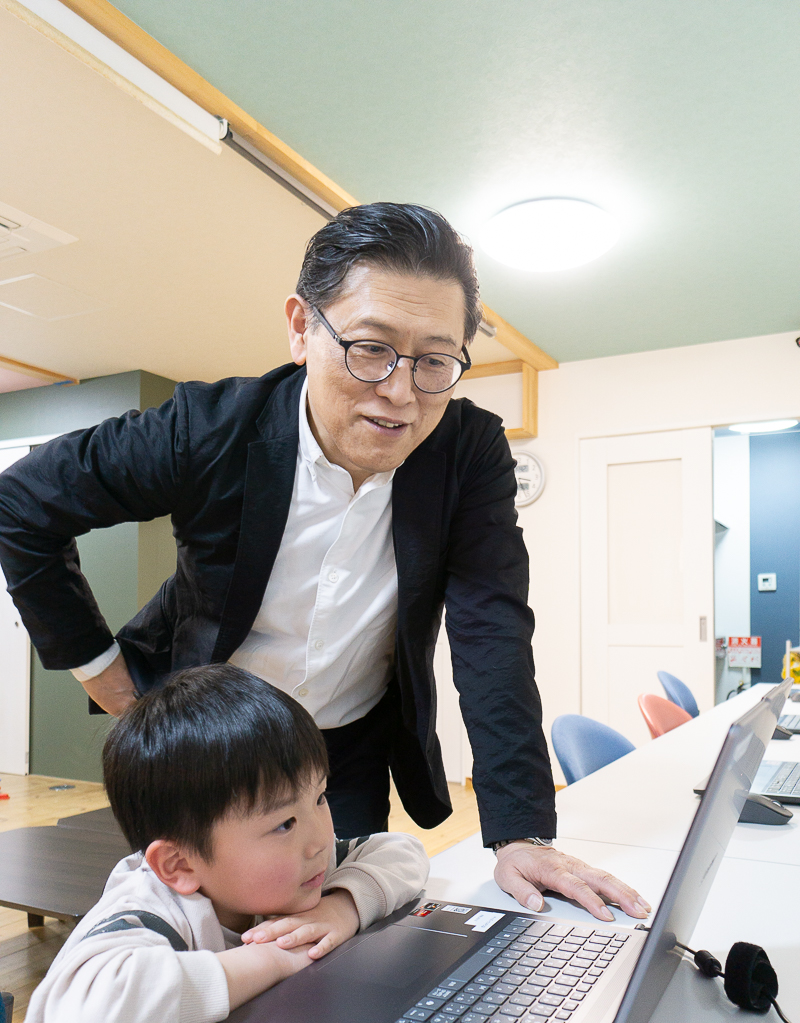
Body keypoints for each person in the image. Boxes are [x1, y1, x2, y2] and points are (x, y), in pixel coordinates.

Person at [0, 202, 649, 924]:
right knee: (193, 927)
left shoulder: (467, 454)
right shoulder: (209, 429)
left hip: (345, 749)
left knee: (337, 930)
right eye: (371, 348)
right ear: (301, 327)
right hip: (207, 739)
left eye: (435, 361)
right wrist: (104, 673)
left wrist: (521, 833)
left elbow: (491, 629)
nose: (400, 393)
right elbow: (20, 503)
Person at [24, 664, 429, 1023]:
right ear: (179, 865)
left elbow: (402, 852)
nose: (320, 840)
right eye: (284, 823)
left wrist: (341, 909)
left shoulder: (303, 866)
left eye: (320, 798)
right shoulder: (151, 909)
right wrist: (271, 958)